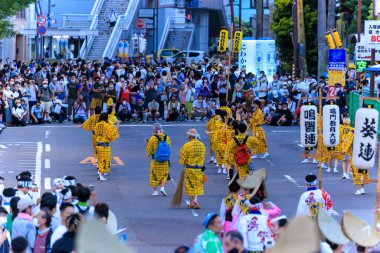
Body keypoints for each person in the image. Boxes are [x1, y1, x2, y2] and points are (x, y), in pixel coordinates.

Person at [179, 129, 206, 209]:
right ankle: (195, 199)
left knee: (189, 185)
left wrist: (183, 161)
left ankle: (191, 201)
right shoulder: (202, 145)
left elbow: (182, 158)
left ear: (190, 136)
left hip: (190, 168)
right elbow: (203, 156)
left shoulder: (187, 145)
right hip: (199, 169)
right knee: (198, 185)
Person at [146, 123, 171, 196]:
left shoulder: (153, 138)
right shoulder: (167, 137)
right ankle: (162, 187)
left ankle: (155, 191)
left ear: (154, 129)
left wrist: (147, 145)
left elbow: (149, 149)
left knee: (154, 174)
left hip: (156, 159)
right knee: (165, 174)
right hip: (165, 159)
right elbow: (169, 147)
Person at [93, 113, 120, 180]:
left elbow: (95, 133)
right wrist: (117, 125)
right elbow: (112, 133)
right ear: (106, 118)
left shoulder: (97, 125)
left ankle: (100, 174)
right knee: (105, 161)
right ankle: (101, 175)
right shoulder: (107, 126)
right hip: (104, 146)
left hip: (98, 145)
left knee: (100, 161)